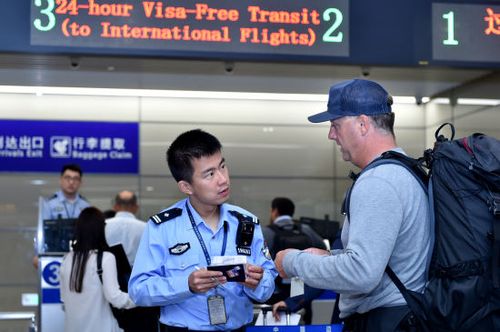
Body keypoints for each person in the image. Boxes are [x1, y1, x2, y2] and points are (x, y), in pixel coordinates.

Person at [274, 79, 432, 332]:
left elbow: (361, 275)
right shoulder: (407, 171)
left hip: (385, 322)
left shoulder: (378, 181)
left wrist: (292, 262)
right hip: (407, 317)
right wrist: (331, 257)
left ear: (362, 123)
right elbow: (387, 258)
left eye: (335, 125)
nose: (331, 134)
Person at [128, 129, 277, 332]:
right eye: (210, 174)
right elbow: (138, 290)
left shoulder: (246, 223)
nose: (223, 179)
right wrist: (186, 285)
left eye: (222, 166)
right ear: (186, 186)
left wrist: (256, 283)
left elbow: (267, 285)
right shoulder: (162, 227)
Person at [59, 207, 136, 332]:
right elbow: (116, 298)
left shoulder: (66, 259)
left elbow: (63, 299)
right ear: (101, 229)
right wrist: (141, 298)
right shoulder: (106, 258)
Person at [105, 190, 159, 332]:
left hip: (109, 286)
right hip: (139, 286)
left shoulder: (103, 226)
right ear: (136, 206)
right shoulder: (148, 227)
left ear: (115, 206)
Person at [262, 197, 326, 304]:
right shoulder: (305, 229)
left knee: (276, 317)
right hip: (301, 288)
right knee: (302, 317)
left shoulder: (266, 232)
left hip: (276, 290)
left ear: (275, 211)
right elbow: (322, 249)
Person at [33, 163, 91, 269]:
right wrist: (38, 254)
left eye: (75, 179)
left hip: (79, 256)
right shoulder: (50, 204)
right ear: (61, 180)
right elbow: (42, 231)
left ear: (80, 182)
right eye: (67, 178)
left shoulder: (86, 205)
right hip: (54, 254)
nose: (71, 182)